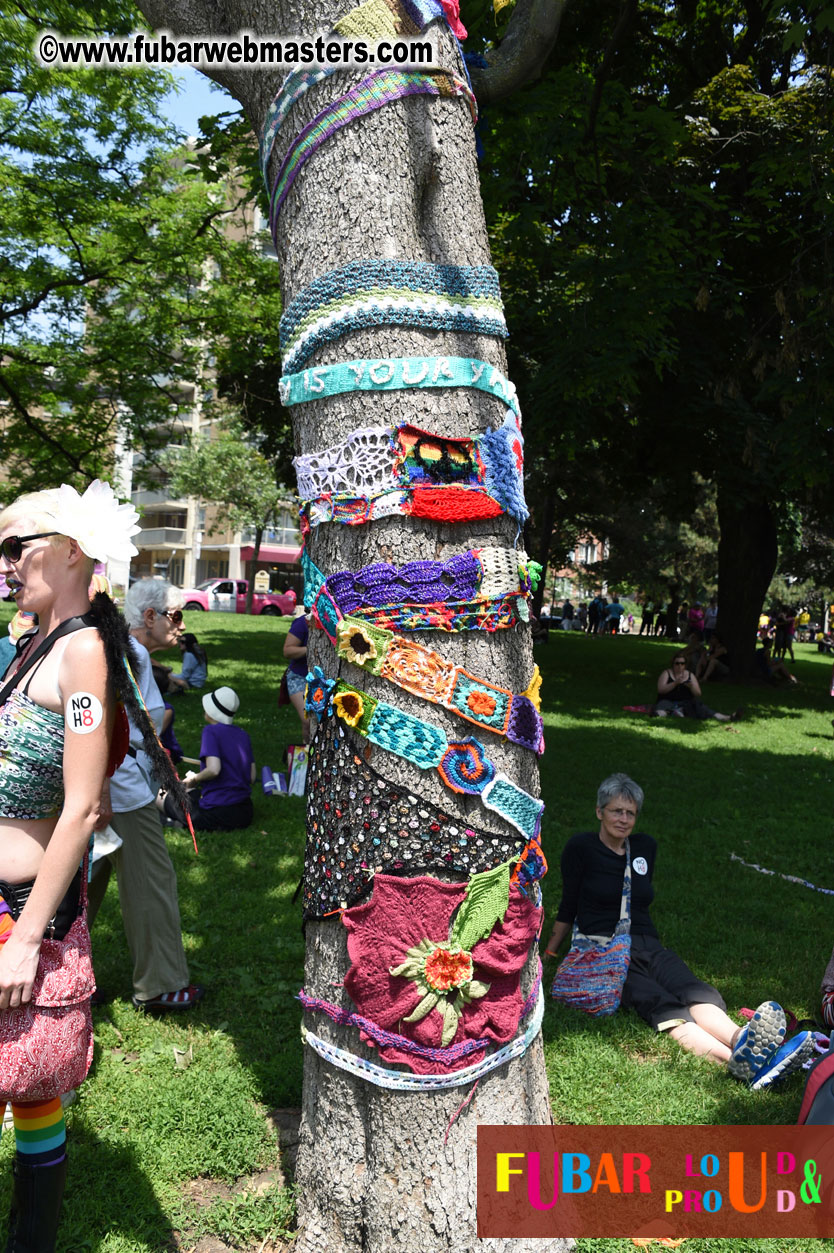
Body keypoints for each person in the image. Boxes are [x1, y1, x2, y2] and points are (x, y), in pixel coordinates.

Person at [0, 481, 190, 1250]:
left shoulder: (83, 654)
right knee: (29, 1085)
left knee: (35, 1085)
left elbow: (82, 807)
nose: (5, 563)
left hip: (19, 906)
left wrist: (25, 937)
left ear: (72, 551)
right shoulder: (33, 643)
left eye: (17, 546)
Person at [544, 774, 814, 1086]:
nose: (623, 818)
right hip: (606, 950)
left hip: (649, 944)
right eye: (616, 810)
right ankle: (739, 1064)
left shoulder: (644, 848)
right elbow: (569, 903)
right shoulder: (582, 848)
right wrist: (552, 950)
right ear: (599, 811)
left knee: (694, 990)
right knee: (663, 1005)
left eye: (630, 813)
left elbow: (642, 901)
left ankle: (743, 1039)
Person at [88, 579, 204, 1014]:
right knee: (152, 882)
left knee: (81, 882)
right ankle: (159, 985)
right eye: (176, 614)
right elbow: (101, 721)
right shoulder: (129, 653)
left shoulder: (126, 653)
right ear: (150, 617)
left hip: (110, 779)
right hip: (119, 783)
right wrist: (101, 784)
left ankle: (56, 974)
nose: (181, 624)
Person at [161, 687, 255, 832]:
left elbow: (214, 769)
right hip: (245, 812)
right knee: (192, 793)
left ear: (212, 712)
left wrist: (194, 778)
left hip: (216, 812)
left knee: (161, 794)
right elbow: (252, 777)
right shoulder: (243, 734)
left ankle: (174, 821)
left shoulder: (210, 731)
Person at [653, 652, 742, 721]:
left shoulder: (690, 675)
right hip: (668, 701)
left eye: (682, 663)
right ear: (673, 664)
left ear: (685, 665)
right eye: (677, 663)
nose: (680, 666)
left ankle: (728, 718)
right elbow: (661, 690)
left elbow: (698, 693)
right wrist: (675, 683)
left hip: (685, 703)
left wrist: (691, 686)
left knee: (701, 708)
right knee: (663, 707)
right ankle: (659, 715)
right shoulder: (667, 673)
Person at [283, 612, 311, 744]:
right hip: (299, 677)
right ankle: (306, 753)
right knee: (308, 720)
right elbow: (287, 650)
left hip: (324, 679)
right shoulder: (302, 622)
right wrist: (310, 649)